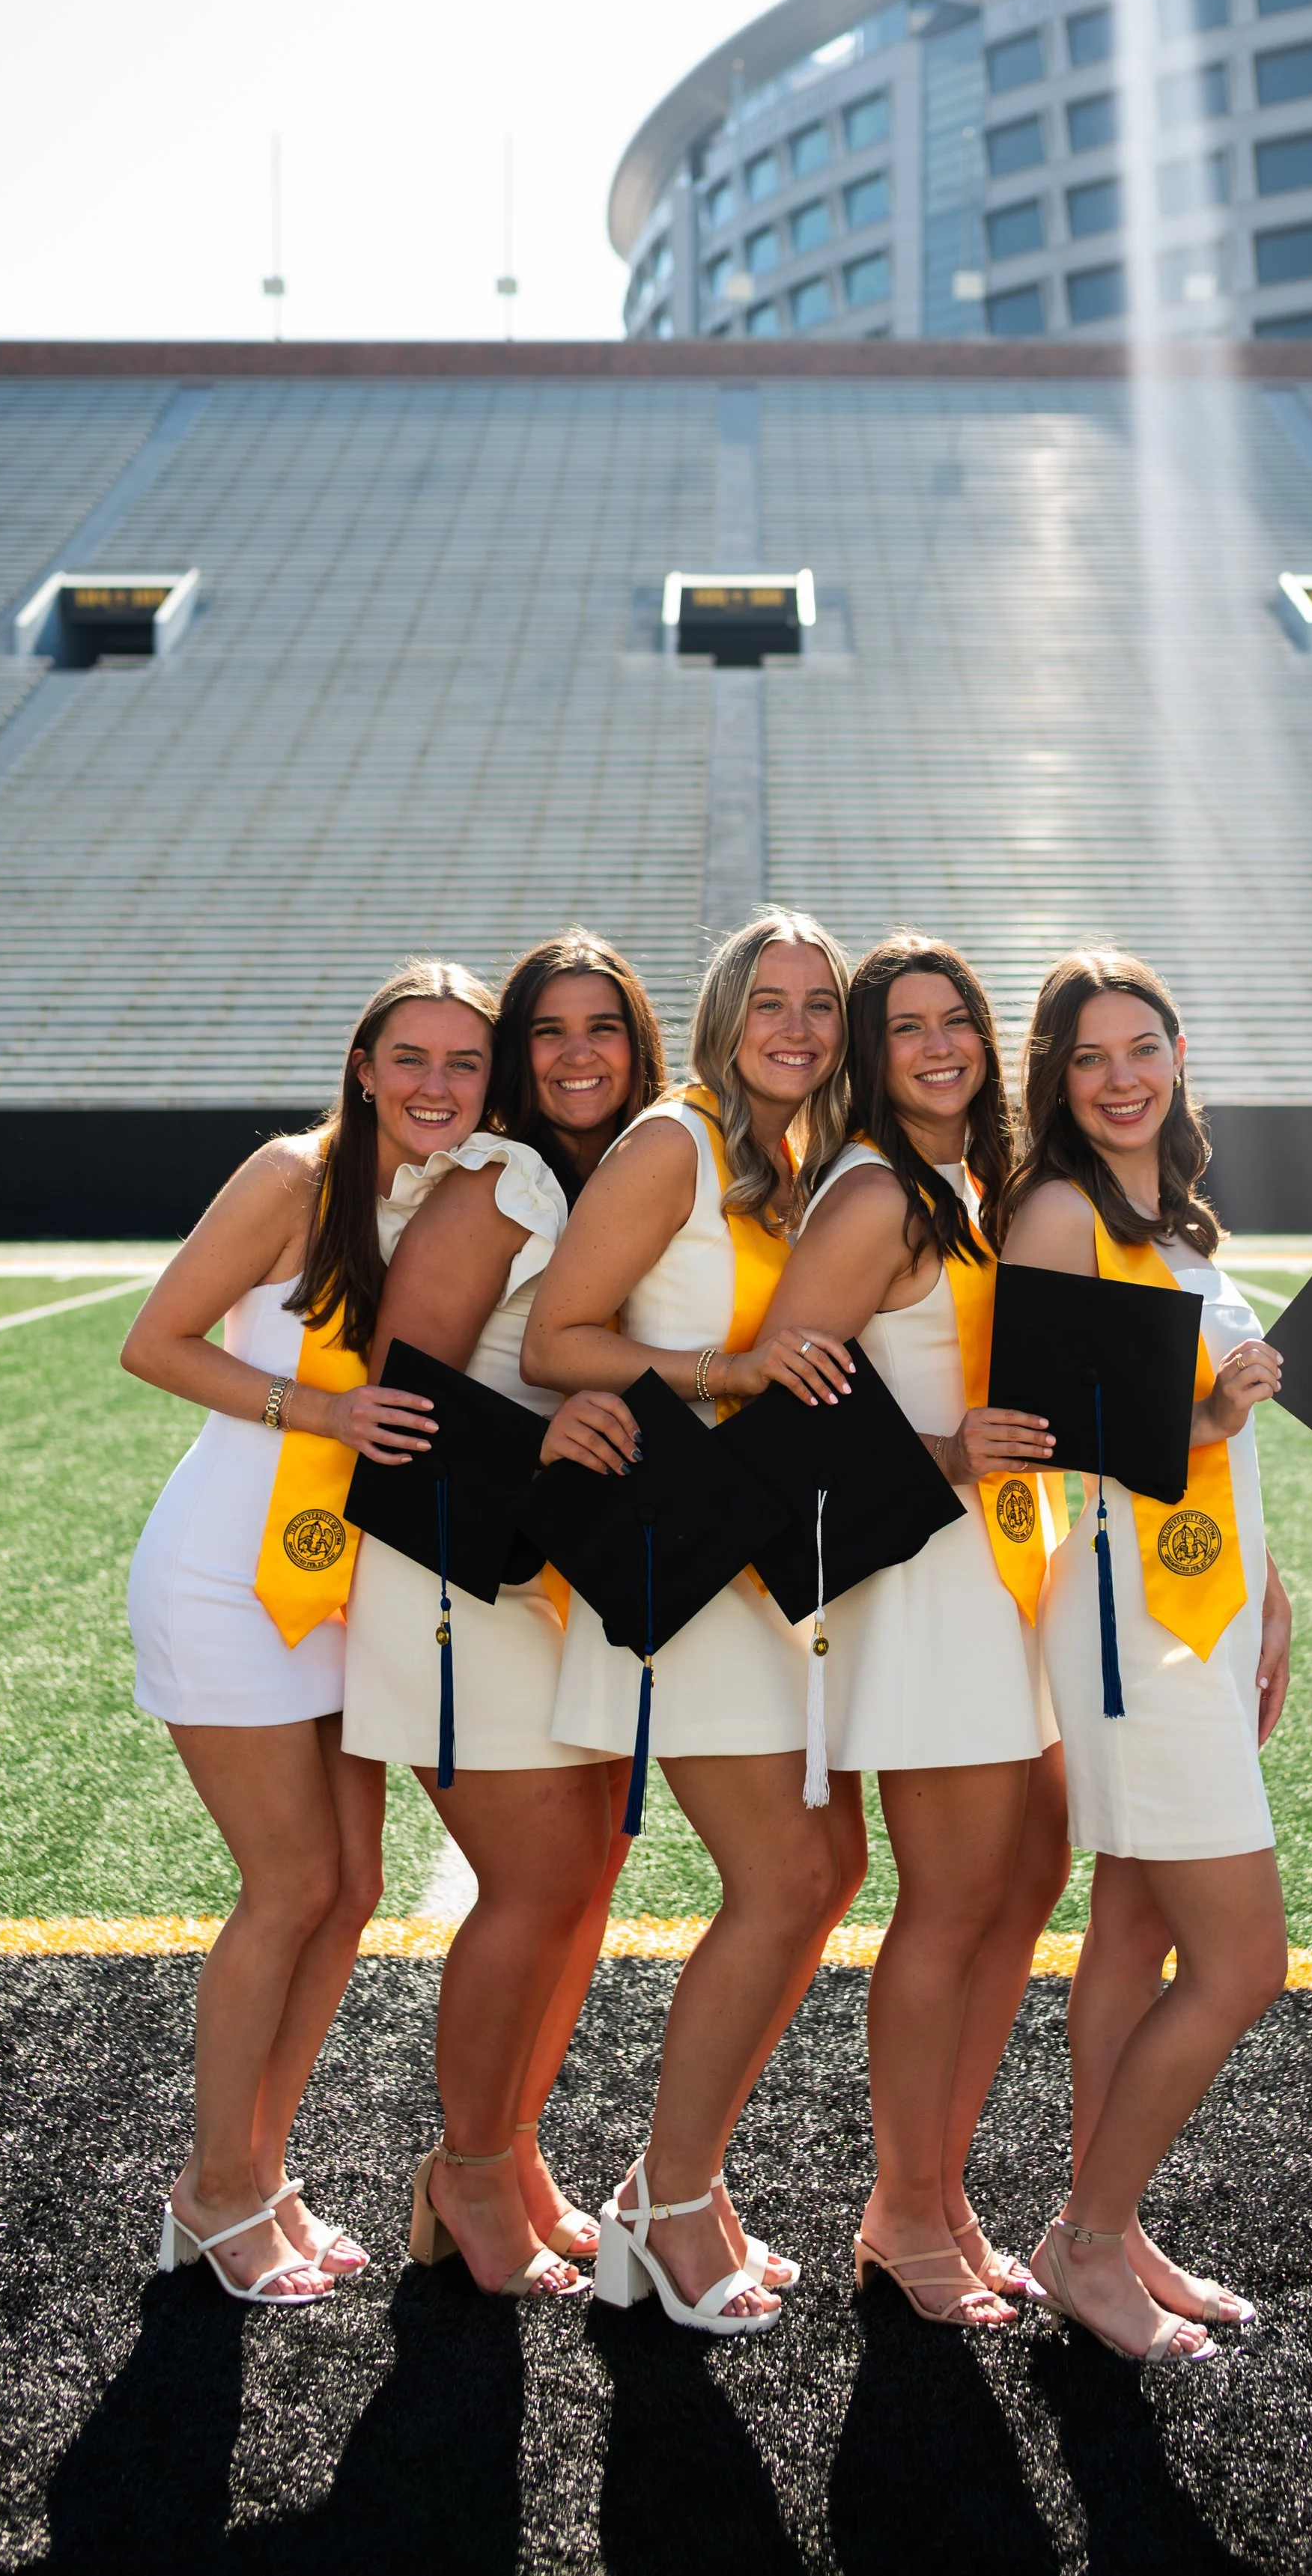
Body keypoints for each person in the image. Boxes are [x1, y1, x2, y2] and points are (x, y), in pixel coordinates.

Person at [122, 960, 497, 2304]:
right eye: (412, 1058)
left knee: (345, 1889)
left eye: (464, 1063)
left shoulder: (463, 1195)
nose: (437, 1086)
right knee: (286, 1887)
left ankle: (259, 2173)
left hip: (342, 1584)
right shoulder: (295, 1175)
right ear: (364, 1065)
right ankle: (213, 2192)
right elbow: (155, 1343)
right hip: (228, 1577)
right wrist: (319, 1413)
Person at [521, 909, 866, 2335]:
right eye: (769, 1001)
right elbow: (556, 1339)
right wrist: (728, 1369)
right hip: (680, 1562)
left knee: (829, 1865)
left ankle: (689, 2190)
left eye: (821, 1005)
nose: (796, 1027)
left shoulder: (787, 1163)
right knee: (790, 1875)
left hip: (760, 1560)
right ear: (725, 1016)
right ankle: (663, 2202)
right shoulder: (674, 1137)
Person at [749, 933, 1072, 2327]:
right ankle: (900, 2206)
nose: (940, 1046)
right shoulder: (875, 1194)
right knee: (951, 1901)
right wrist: (947, 1450)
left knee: (1027, 1879)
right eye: (907, 1028)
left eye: (959, 1021)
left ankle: (941, 2188)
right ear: (873, 1059)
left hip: (1012, 1576)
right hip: (931, 1579)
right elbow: (780, 1406)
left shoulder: (978, 1187)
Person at [341, 931, 667, 2296]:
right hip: (446, 1569)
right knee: (534, 1883)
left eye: (605, 1028)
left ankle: (511, 2150)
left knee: (582, 1880)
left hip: (547, 1576)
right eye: (548, 1031)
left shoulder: (616, 1179)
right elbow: (400, 1388)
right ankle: (465, 2174)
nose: (579, 1054)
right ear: (519, 1059)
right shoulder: (505, 1175)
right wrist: (545, 1445)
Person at [995, 949, 1292, 2367]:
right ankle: (1089, 2242)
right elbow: (1050, 1425)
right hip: (1127, 1622)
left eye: (1143, 1047)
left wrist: (1271, 1595)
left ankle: (1109, 2218)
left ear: (1179, 1053)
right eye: (1089, 1056)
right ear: (1055, 1079)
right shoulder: (1056, 1212)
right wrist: (1217, 1420)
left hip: (1205, 1609)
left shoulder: (1176, 1222)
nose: (1121, 1077)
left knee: (1134, 1925)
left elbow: (1219, 1448)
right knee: (1243, 1963)